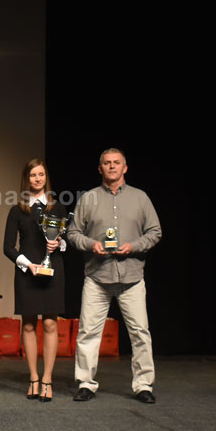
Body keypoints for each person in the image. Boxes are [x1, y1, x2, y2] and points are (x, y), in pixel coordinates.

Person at [67, 148, 162, 404]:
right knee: (88, 333)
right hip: (97, 276)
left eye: (116, 162)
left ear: (125, 168)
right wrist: (91, 244)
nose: (111, 166)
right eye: (107, 163)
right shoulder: (88, 198)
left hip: (131, 277)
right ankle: (85, 383)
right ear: (100, 169)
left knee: (140, 333)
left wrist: (134, 246)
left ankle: (143, 385)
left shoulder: (140, 198)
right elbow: (73, 233)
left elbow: (155, 231)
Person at [3, 158, 66, 402]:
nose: (37, 179)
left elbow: (68, 241)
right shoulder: (17, 210)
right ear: (26, 179)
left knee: (50, 324)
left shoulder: (58, 209)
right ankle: (33, 378)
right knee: (28, 325)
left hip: (52, 272)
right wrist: (28, 265)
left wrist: (59, 244)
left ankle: (47, 379)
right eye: (32, 175)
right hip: (27, 273)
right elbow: (8, 247)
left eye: (41, 175)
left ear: (46, 178)